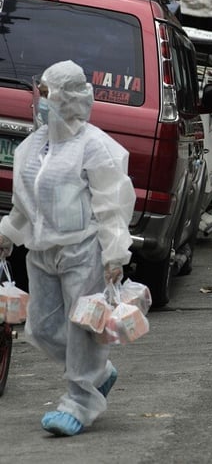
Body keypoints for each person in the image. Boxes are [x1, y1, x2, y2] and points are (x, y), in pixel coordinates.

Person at [0, 60, 134, 437]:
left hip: (82, 250)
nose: (39, 101)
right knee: (40, 328)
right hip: (42, 251)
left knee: (81, 329)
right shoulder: (33, 146)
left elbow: (111, 203)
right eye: (38, 92)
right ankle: (97, 372)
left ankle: (80, 401)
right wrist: (8, 233)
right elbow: (26, 203)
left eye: (46, 94)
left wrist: (114, 253)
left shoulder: (94, 146)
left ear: (67, 97)